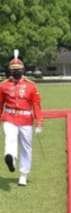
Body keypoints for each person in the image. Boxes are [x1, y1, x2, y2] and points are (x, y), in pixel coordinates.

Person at [0, 50, 43, 186]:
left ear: (23, 70)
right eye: (13, 69)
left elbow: (36, 105)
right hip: (9, 117)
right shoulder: (3, 85)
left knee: (26, 147)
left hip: (26, 120)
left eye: (18, 69)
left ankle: (23, 174)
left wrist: (39, 122)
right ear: (10, 70)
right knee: (10, 137)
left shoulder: (31, 86)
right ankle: (10, 157)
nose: (16, 71)